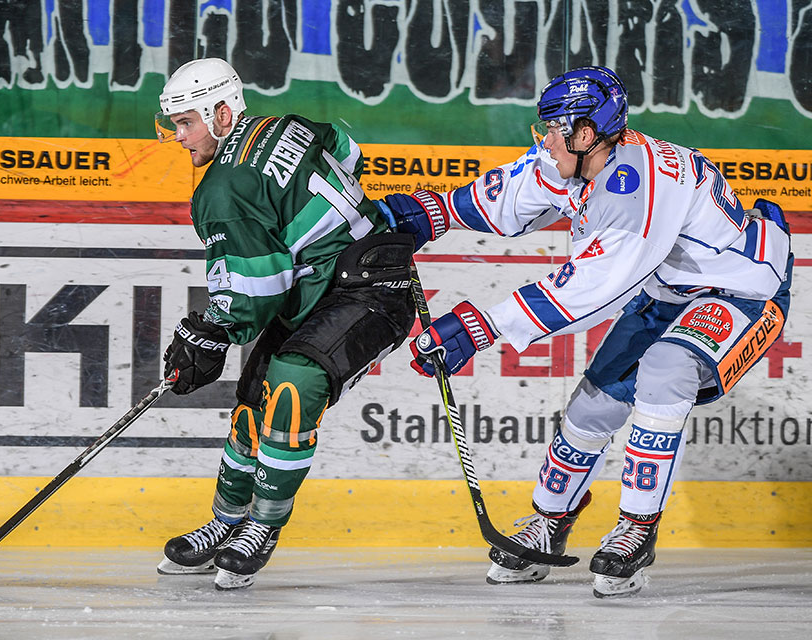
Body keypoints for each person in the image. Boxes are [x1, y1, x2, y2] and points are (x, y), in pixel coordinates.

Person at [379, 66, 793, 598]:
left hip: (744, 290)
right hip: (668, 289)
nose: (545, 139)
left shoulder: (640, 184)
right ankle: (550, 523)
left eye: (555, 129)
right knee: (593, 405)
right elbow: (506, 197)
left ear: (587, 134)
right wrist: (429, 212)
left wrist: (484, 326)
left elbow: (597, 285)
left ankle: (637, 529)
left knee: (665, 372)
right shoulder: (573, 158)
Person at [152, 58, 416, 590]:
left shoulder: (222, 189)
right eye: (174, 125)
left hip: (369, 293)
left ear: (221, 112)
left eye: (187, 123)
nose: (180, 137)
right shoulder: (288, 124)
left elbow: (254, 292)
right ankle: (226, 523)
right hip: (325, 287)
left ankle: (262, 527)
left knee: (293, 385)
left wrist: (210, 331)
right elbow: (347, 150)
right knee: (253, 403)